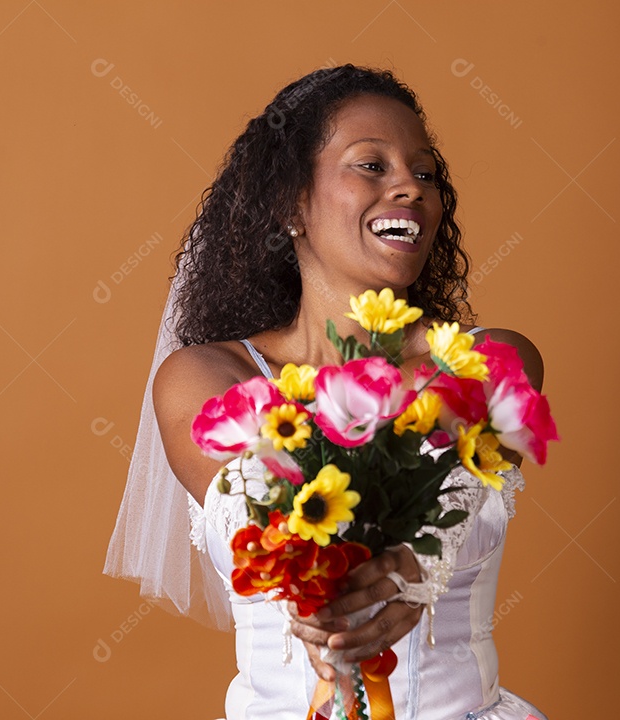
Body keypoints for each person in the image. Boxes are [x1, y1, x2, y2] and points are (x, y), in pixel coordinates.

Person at [104, 64, 548, 719]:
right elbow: (266, 515)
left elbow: (452, 488)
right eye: (371, 165)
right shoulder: (206, 377)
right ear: (289, 204)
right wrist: (317, 598)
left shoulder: (492, 357)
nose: (410, 187)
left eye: (424, 173)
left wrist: (411, 571)